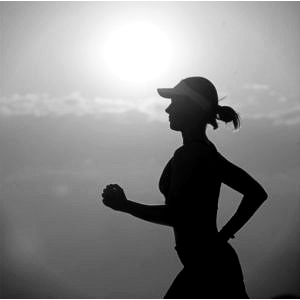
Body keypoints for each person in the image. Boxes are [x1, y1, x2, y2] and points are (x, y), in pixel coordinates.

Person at [101, 77, 268, 298]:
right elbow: (256, 193)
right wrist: (222, 237)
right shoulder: (205, 151)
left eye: (174, 102)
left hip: (207, 270)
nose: (167, 109)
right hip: (213, 265)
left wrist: (125, 205)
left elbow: (177, 215)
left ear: (192, 108)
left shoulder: (192, 154)